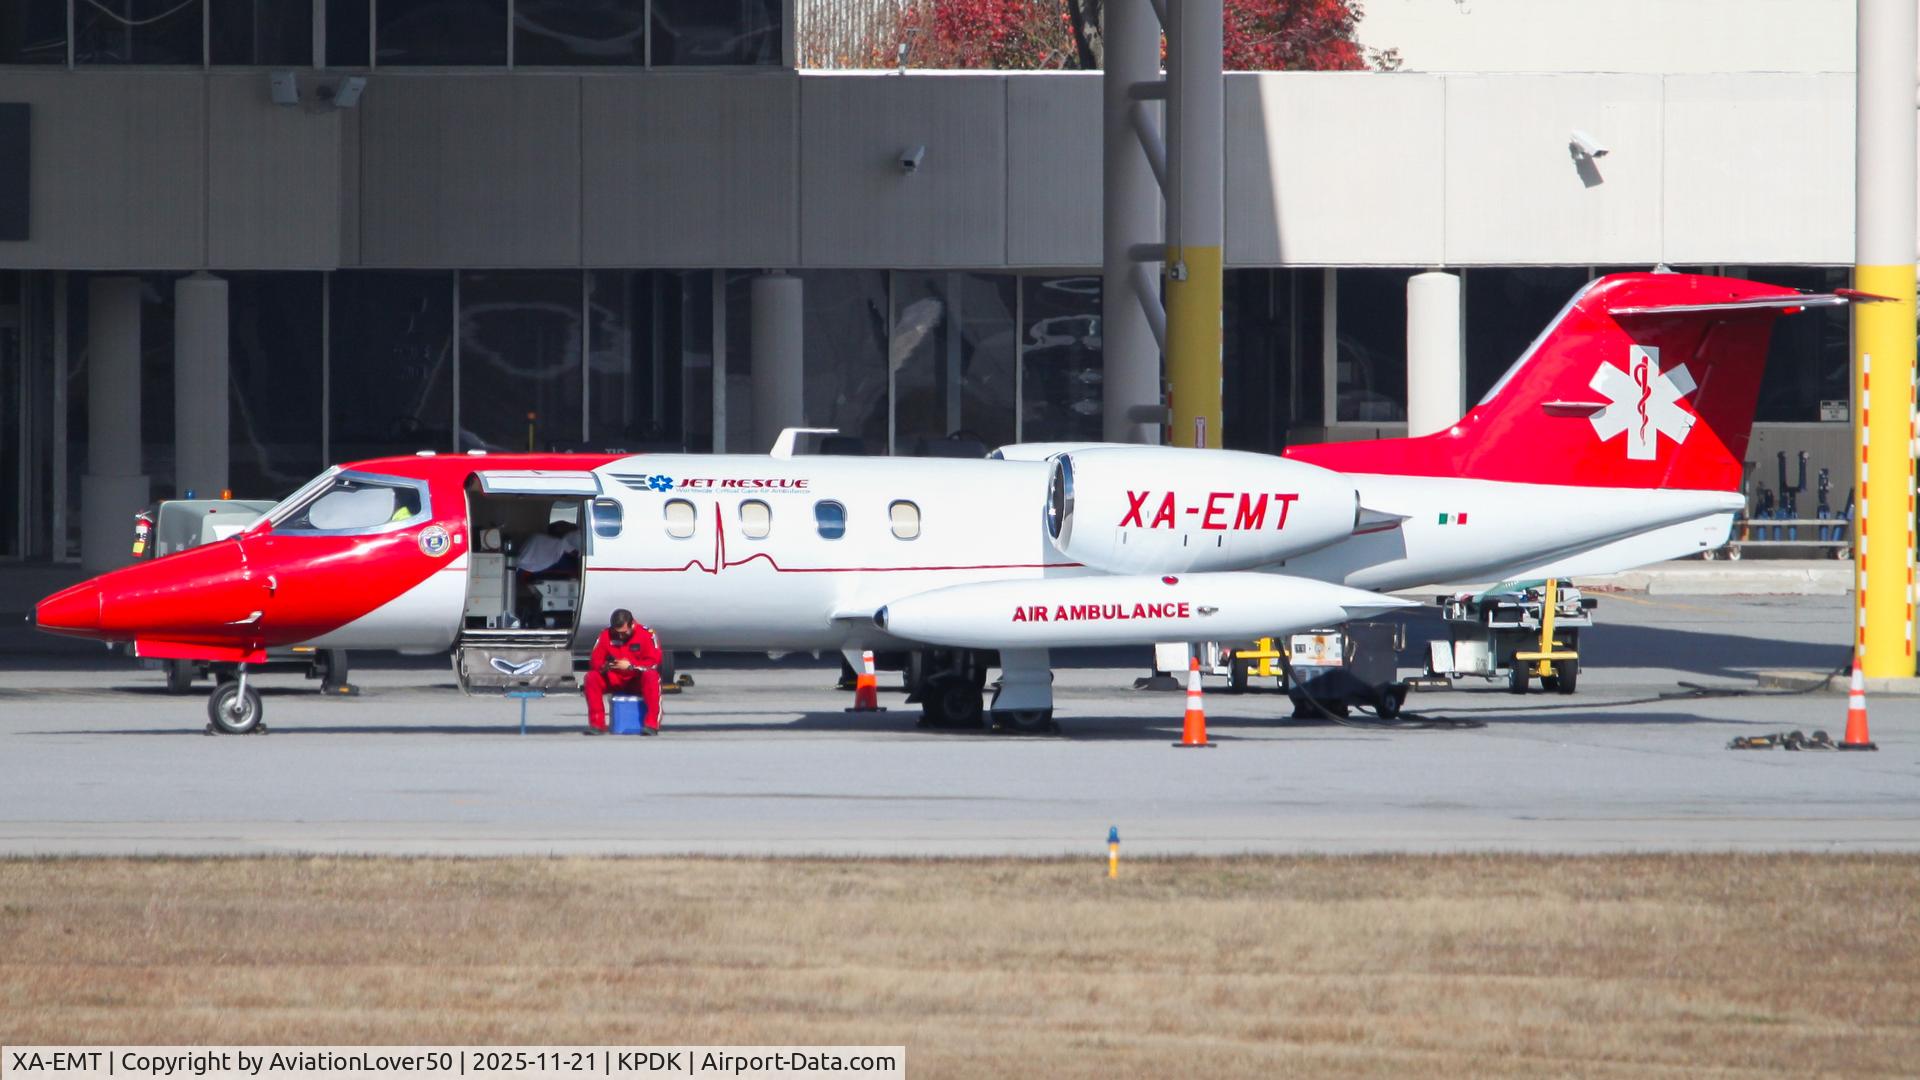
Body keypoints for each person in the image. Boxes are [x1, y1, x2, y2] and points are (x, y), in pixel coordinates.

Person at [583, 608, 661, 735]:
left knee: (651, 676)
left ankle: (651, 724)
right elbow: (595, 661)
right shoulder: (605, 635)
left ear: (632, 625)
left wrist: (631, 666)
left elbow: (654, 662)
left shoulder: (647, 634)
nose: (620, 636)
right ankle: (597, 724)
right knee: (591, 677)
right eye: (617, 632)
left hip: (637, 679)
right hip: (615, 678)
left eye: (624, 633)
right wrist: (605, 666)